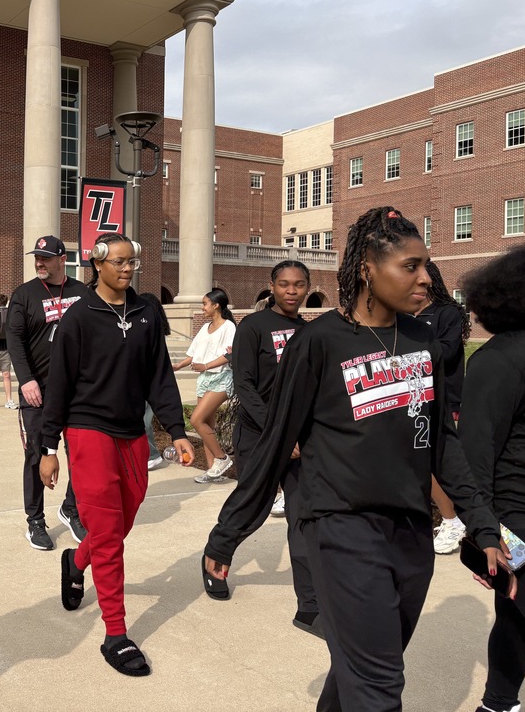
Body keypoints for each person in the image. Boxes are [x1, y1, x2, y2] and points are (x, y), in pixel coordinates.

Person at [203, 207, 508, 711]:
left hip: (410, 533)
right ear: (367, 267)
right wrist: (228, 535)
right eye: (410, 266)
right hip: (340, 527)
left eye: (426, 266)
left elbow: (440, 443)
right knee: (381, 687)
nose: (425, 280)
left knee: (359, 672)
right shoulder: (317, 342)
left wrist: (482, 522)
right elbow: (277, 443)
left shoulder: (423, 341)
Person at [41, 232, 194, 676]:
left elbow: (159, 376)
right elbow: (59, 388)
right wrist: (47, 449)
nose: (128, 270)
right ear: (98, 264)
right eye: (119, 263)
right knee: (109, 533)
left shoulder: (146, 310)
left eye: (132, 263)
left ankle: (76, 559)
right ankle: (116, 634)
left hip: (132, 432)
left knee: (123, 520)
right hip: (88, 431)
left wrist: (178, 432)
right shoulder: (78, 317)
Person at [458, 242, 525, 712]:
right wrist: (484, 536)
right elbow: (475, 452)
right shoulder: (503, 358)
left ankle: (496, 705)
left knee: (517, 622)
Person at [221, 260, 321, 633]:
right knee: (252, 510)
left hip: (297, 443)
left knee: (302, 518)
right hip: (258, 436)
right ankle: (217, 554)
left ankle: (308, 607)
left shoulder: (309, 332)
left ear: (308, 287)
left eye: (298, 284)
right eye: (284, 284)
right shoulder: (253, 327)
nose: (291, 291)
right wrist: (279, 432)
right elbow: (244, 386)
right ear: (271, 286)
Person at [6, 234, 88, 551]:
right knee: (37, 456)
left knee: (81, 453)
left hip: (77, 391)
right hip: (38, 392)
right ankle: (35, 521)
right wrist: (25, 380)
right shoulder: (24, 294)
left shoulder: (82, 293)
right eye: (36, 257)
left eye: (45, 257)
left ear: (61, 259)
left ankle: (72, 508)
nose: (39, 262)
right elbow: (15, 339)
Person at [413, 260, 470, 555]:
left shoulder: (446, 313)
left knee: (440, 461)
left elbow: (447, 352)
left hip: (444, 398)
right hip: (413, 398)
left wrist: (412, 350)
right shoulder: (406, 314)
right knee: (417, 459)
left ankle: (454, 519)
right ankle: (441, 516)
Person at [172, 289, 236, 482]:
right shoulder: (205, 327)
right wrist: (178, 365)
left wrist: (206, 365)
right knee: (207, 425)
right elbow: (194, 354)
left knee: (197, 419)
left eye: (205, 303)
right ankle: (213, 471)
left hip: (221, 378)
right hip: (204, 379)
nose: (203, 307)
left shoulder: (229, 327)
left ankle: (221, 458)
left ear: (216, 305)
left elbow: (229, 355)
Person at [139, 292, 170, 470]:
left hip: (149, 382)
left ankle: (152, 455)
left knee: (144, 420)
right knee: (142, 419)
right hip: (142, 380)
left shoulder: (153, 329)